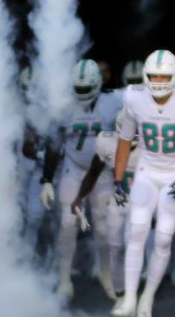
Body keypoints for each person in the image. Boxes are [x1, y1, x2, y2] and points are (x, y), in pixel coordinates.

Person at [108, 49, 175, 317]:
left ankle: (147, 296)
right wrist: (118, 179)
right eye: (154, 75)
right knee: (137, 231)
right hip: (146, 172)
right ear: (145, 76)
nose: (159, 81)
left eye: (164, 75)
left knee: (163, 237)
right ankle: (129, 297)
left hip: (174, 174)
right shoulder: (134, 97)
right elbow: (125, 139)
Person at [43, 60, 124, 302]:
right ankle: (64, 278)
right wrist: (46, 179)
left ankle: (105, 272)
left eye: (86, 88)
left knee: (103, 227)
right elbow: (54, 144)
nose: (82, 94)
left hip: (103, 172)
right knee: (68, 223)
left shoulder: (114, 102)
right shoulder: (65, 106)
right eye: (77, 89)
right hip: (73, 168)